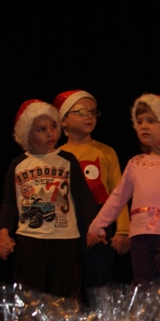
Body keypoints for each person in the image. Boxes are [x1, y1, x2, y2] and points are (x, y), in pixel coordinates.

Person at [87, 94, 160, 284]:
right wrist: (97, 225)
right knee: (144, 283)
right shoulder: (135, 163)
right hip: (140, 235)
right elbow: (117, 197)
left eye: (151, 121)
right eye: (139, 121)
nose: (143, 126)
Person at [0, 100, 97, 298]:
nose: (50, 133)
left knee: (67, 295)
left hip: (65, 238)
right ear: (27, 135)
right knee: (29, 295)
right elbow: (9, 202)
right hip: (30, 239)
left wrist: (94, 227)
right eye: (41, 129)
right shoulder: (18, 164)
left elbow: (82, 197)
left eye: (53, 126)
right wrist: (3, 233)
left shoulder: (67, 160)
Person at [53, 89, 130, 291]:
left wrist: (123, 230)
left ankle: (99, 312)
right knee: (67, 279)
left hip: (101, 219)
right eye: (81, 112)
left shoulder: (106, 152)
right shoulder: (57, 155)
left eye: (93, 112)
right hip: (68, 222)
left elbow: (119, 193)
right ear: (63, 120)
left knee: (98, 279)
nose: (89, 116)